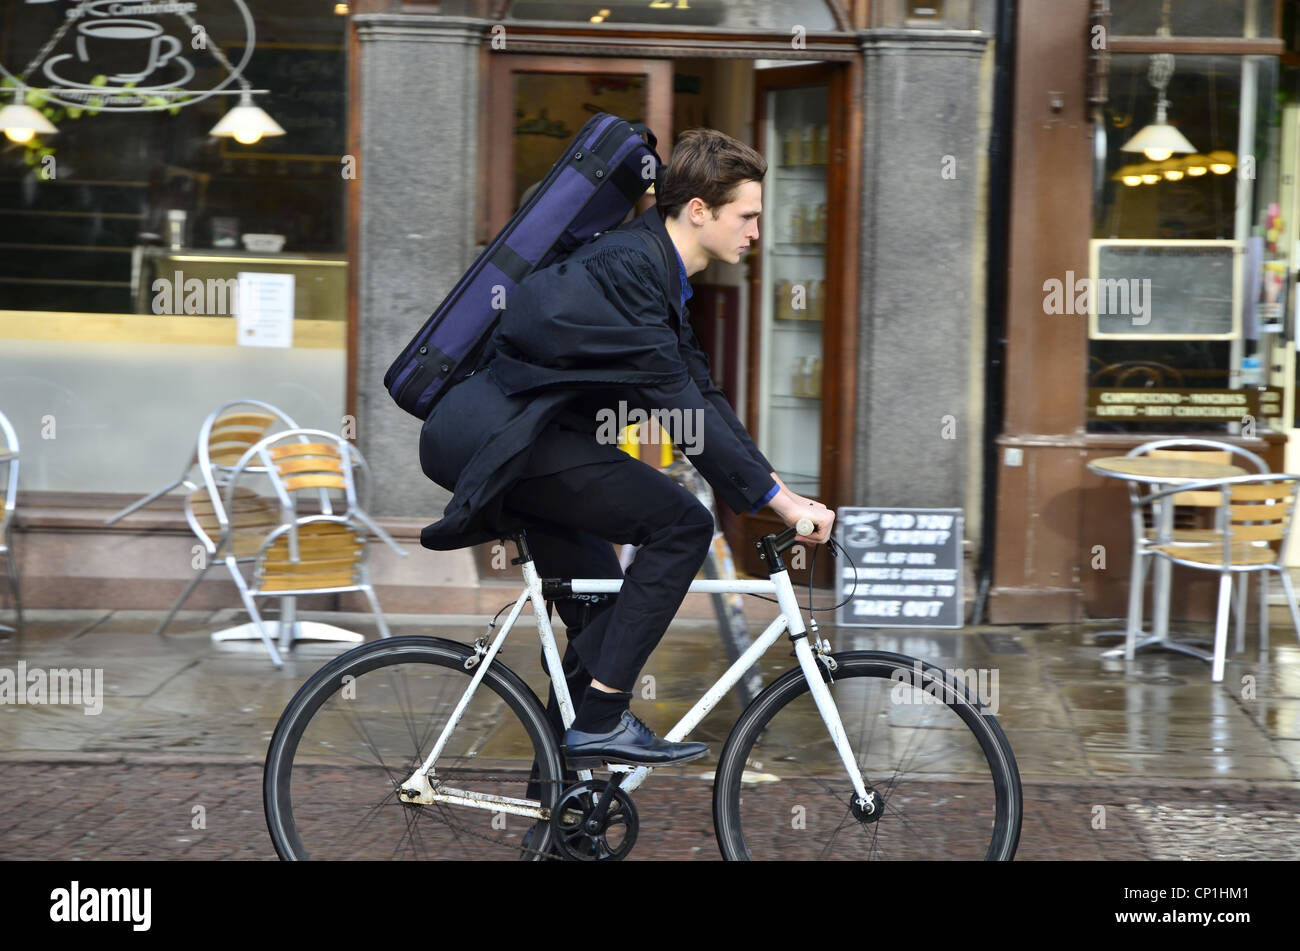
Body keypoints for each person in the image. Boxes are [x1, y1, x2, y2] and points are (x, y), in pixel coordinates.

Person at [419, 128, 835, 769]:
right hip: (503, 441)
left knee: (604, 617)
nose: (756, 231)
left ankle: (564, 813)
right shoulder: (628, 268)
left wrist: (774, 485)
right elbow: (678, 402)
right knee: (681, 524)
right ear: (699, 211)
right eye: (747, 216)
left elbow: (700, 391)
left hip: (527, 439)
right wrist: (775, 503)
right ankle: (605, 720)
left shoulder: (655, 273)